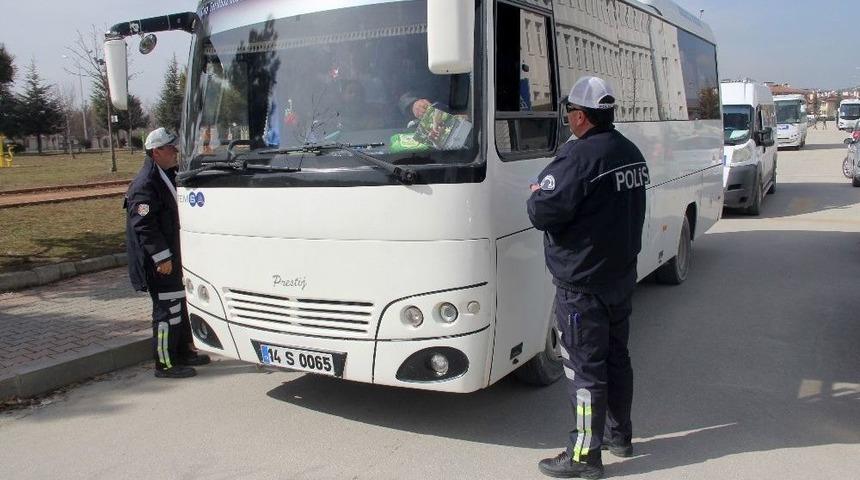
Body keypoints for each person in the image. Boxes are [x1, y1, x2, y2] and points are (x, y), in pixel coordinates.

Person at [527, 76, 648, 479]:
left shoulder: (579, 158)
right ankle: (620, 437)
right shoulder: (629, 152)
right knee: (617, 360)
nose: (567, 120)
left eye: (569, 114)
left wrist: (536, 193)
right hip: (619, 278)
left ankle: (583, 457)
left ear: (579, 116)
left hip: (582, 286)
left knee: (584, 372)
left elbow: (542, 211)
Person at [125, 127, 211, 379]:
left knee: (180, 306)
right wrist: (161, 257)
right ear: (156, 151)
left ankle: (183, 352)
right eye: (171, 148)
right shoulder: (145, 184)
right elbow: (144, 226)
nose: (175, 152)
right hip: (160, 262)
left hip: (175, 257)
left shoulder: (168, 174)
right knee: (166, 312)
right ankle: (164, 363)